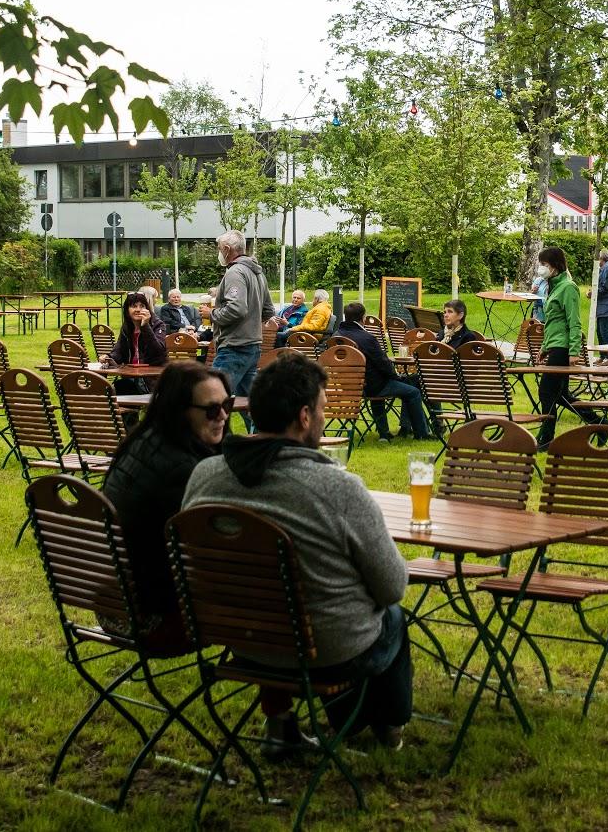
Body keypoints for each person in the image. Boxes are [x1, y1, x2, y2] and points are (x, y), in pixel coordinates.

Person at [184, 351, 412, 755]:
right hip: (320, 650)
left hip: (237, 638)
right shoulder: (337, 489)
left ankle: (287, 726)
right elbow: (392, 586)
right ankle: (383, 729)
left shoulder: (205, 475)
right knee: (390, 617)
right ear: (305, 417)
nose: (324, 419)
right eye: (323, 409)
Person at [100, 363, 232, 652]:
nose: (223, 416)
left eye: (227, 405)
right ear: (180, 410)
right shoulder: (183, 471)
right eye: (211, 409)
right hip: (155, 621)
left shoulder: (143, 443)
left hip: (116, 607)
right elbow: (218, 550)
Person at [535, 246, 606, 450]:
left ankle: (546, 438)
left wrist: (574, 351)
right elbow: (552, 323)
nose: (541, 268)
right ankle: (600, 424)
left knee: (547, 392)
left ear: (555, 266)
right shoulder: (554, 286)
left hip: (564, 348)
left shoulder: (568, 287)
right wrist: (545, 346)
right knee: (561, 394)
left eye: (544, 265)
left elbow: (573, 322)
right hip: (555, 346)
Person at [336, 302, 430, 440]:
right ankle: (421, 434)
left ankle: (384, 433)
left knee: (380, 385)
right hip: (372, 386)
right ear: (363, 318)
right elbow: (384, 364)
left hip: (348, 386)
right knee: (413, 391)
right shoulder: (367, 338)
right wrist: (397, 377)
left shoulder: (336, 336)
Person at [202, 230, 276, 399]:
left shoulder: (235, 272)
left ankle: (213, 426)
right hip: (253, 345)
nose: (219, 252)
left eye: (220, 249)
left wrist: (211, 313)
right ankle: (267, 426)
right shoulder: (258, 273)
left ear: (227, 249)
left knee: (212, 397)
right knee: (252, 406)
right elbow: (268, 311)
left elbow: (237, 308)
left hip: (234, 347)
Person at [102, 292, 168, 401]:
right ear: (127, 310)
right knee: (116, 388)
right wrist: (108, 357)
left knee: (122, 388)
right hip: (131, 376)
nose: (138, 309)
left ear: (147, 309)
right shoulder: (127, 327)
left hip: (151, 379)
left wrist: (145, 326)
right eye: (134, 306)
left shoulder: (157, 325)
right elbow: (118, 351)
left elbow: (158, 351)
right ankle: (126, 417)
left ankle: (129, 416)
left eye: (142, 306)